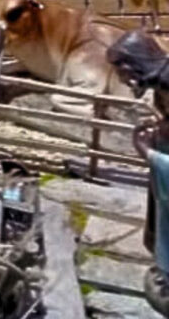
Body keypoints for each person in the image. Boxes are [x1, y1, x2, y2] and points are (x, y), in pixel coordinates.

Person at [107, 30, 169, 317]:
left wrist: (148, 153)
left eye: (121, 73)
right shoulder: (162, 86)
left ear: (133, 67)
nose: (122, 81)